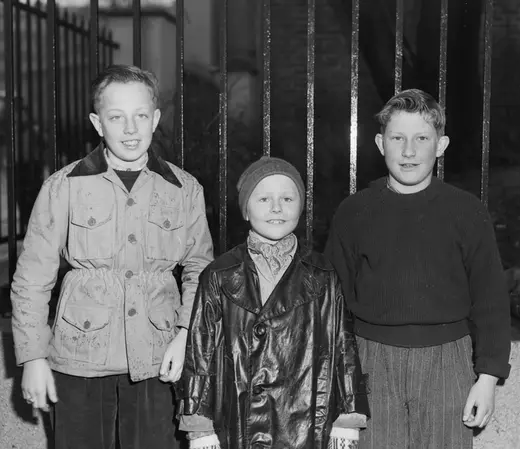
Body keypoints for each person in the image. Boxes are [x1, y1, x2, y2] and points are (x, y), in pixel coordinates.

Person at [11, 64, 214, 449]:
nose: (131, 129)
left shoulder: (184, 189)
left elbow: (200, 270)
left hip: (159, 357)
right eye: (117, 117)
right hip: (80, 357)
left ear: (156, 119)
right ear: (97, 123)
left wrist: (186, 333)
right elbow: (32, 278)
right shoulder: (63, 187)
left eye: (141, 116)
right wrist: (33, 357)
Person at [325, 89, 511, 448]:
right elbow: (333, 304)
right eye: (398, 138)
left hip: (448, 361)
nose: (408, 151)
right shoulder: (354, 212)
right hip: (372, 362)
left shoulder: (466, 212)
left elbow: (490, 299)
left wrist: (488, 377)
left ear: (440, 145)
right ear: (380, 143)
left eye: (421, 139)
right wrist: (338, 380)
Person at [176, 156, 370, 448]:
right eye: (264, 198)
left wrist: (348, 416)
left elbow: (343, 346)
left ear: (301, 206)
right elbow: (199, 352)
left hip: (306, 425)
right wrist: (198, 424)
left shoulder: (322, 275)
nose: (276, 208)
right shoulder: (219, 275)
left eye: (287, 198)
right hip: (238, 420)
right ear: (246, 209)